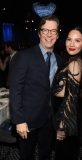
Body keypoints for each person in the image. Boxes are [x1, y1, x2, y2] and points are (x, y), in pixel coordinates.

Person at [9, 15, 63, 160]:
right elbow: (15, 90)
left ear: (57, 35)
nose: (49, 35)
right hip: (28, 118)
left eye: (53, 31)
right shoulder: (24, 56)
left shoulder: (59, 60)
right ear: (39, 33)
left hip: (49, 117)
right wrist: (19, 119)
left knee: (45, 153)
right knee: (27, 155)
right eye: (45, 30)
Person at [52, 26, 82, 160]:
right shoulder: (72, 61)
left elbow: (71, 98)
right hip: (64, 111)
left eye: (77, 40)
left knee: (64, 154)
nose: (72, 44)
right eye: (69, 39)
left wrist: (63, 126)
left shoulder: (74, 64)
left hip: (66, 115)